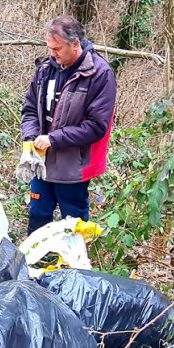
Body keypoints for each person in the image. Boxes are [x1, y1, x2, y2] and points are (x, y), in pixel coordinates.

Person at [18, 15, 117, 234]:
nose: (52, 53)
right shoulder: (45, 69)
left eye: (57, 49)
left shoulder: (100, 74)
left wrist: (53, 139)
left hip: (74, 165)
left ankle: (74, 264)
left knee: (73, 219)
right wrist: (30, 137)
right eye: (50, 48)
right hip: (41, 161)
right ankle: (35, 260)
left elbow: (96, 126)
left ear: (75, 44)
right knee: (38, 212)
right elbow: (30, 108)